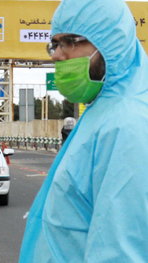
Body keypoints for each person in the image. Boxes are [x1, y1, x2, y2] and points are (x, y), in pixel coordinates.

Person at [19, 0, 148, 262]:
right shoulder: (103, 111)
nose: (56, 54)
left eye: (71, 41)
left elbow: (122, 250)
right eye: (55, 43)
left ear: (112, 43)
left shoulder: (127, 124)